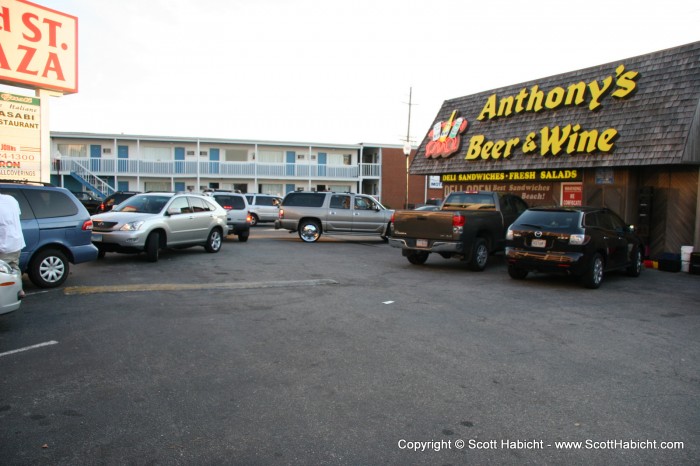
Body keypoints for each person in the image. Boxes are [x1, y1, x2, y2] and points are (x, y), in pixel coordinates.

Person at [0, 192, 26, 297]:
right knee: (13, 267)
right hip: (16, 242)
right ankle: (18, 291)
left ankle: (8, 296)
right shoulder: (11, 199)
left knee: (3, 272)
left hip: (4, 245)